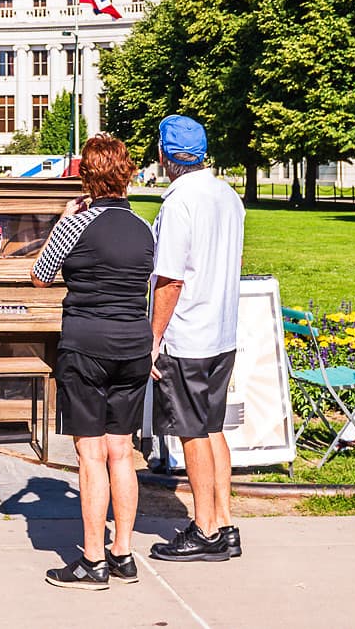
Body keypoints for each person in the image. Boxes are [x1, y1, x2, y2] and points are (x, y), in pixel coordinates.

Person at [31, 134, 156, 591]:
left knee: (90, 453)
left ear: (88, 178)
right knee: (121, 450)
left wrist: (62, 221)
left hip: (87, 346)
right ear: (126, 176)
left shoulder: (77, 224)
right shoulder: (145, 228)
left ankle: (92, 559)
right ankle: (123, 552)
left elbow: (40, 277)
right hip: (134, 346)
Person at [148, 114, 245, 563]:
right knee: (212, 427)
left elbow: (169, 280)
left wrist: (153, 338)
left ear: (166, 156)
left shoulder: (178, 203)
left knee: (191, 434)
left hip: (188, 333)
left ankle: (204, 528)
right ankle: (225, 523)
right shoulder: (228, 195)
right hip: (222, 330)